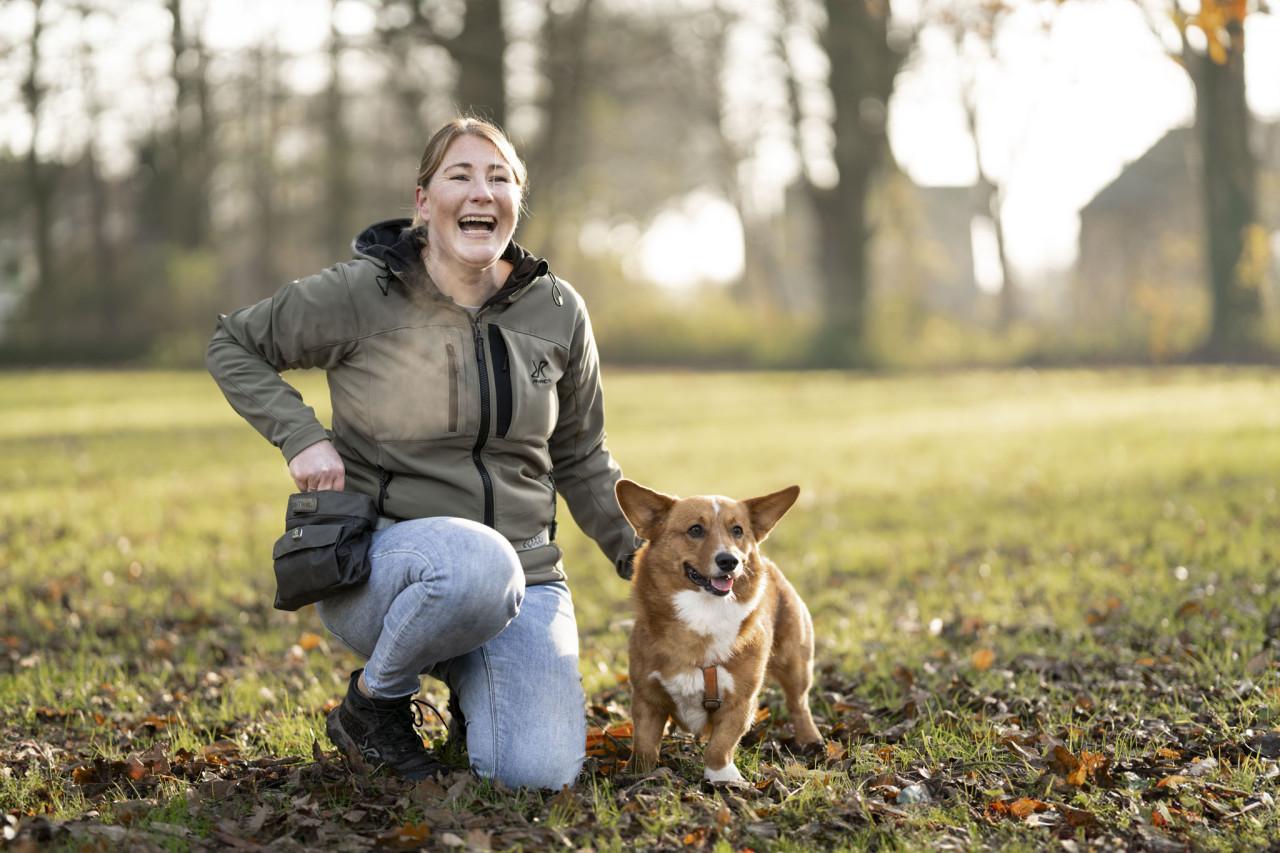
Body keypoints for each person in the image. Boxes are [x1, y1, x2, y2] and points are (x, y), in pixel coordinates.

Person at [206, 117, 639, 790]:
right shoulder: (361, 294)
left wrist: (642, 552)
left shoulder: (557, 309)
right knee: (475, 565)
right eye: (460, 175)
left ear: (516, 201)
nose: (480, 192)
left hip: (526, 578)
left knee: (537, 774)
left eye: (499, 178)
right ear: (422, 201)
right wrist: (302, 435)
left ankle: (473, 686)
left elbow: (581, 455)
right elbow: (233, 344)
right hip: (384, 565)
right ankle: (373, 707)